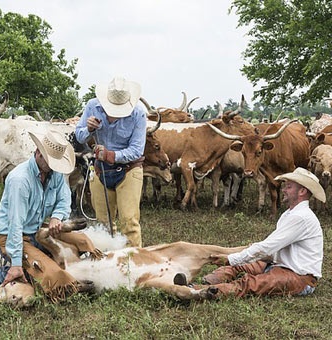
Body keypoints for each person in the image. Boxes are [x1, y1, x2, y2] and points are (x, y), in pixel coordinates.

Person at [174, 167, 326, 299]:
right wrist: (240, 257)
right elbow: (271, 249)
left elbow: (267, 247)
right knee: (239, 266)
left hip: (299, 278)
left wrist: (232, 258)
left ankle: (199, 291)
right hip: (278, 265)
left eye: (289, 187)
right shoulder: (291, 214)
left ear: (302, 191)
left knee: (250, 283)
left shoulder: (300, 217)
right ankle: (204, 282)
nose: (284, 190)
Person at [0, 128, 93, 303]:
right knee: (50, 269)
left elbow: (64, 199)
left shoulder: (55, 173)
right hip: (10, 235)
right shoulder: (19, 180)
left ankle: (21, 265)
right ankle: (3, 275)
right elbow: (15, 224)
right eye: (50, 162)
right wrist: (16, 263)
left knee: (79, 241)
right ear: (38, 153)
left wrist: (56, 217)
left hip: (35, 229)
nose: (53, 167)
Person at [75, 76, 146, 247]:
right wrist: (89, 129)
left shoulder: (138, 114)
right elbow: (79, 135)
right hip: (100, 170)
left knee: (129, 222)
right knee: (103, 223)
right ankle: (108, 264)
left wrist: (110, 155)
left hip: (129, 170)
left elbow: (137, 150)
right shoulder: (93, 106)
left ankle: (133, 266)